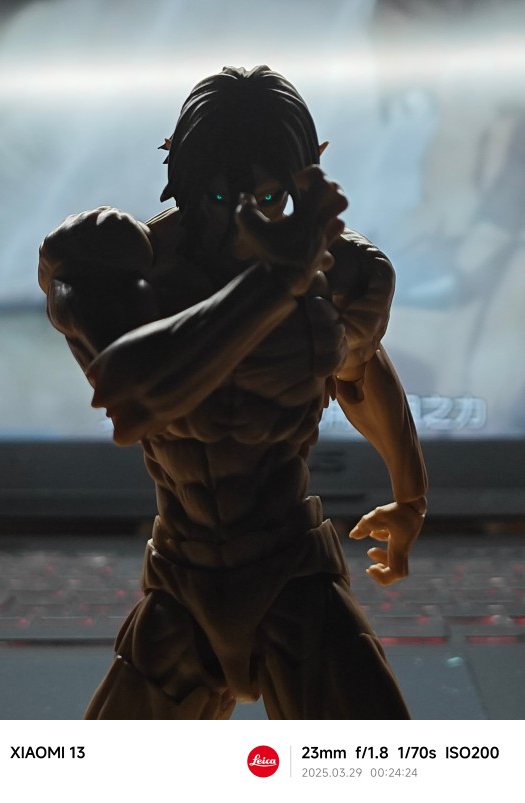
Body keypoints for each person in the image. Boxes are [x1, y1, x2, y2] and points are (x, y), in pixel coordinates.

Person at [38, 65, 427, 719]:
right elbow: (133, 394)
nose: (238, 223)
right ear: (179, 174)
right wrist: (276, 286)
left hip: (292, 570)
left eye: (268, 197)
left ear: (304, 179)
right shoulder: (117, 262)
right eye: (217, 198)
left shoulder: (343, 275)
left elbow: (359, 370)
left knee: (381, 763)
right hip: (181, 580)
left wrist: (410, 494)